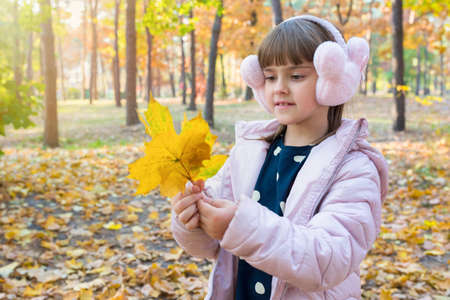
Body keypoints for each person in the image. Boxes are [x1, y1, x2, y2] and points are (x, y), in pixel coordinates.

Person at [170, 15, 388, 300]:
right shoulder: (249, 153)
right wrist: (190, 220)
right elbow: (212, 247)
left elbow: (329, 260)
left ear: (332, 80)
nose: (279, 87)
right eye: (270, 76)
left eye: (296, 76)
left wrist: (240, 226)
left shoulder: (354, 168)